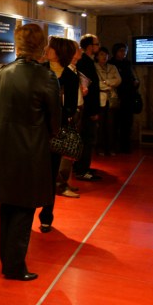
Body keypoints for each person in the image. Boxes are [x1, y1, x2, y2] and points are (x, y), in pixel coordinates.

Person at [0, 23, 61, 281]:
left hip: (3, 149)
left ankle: (8, 260)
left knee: (7, 206)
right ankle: (15, 266)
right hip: (31, 151)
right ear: (41, 47)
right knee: (24, 208)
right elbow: (55, 123)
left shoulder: (1, 72)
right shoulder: (46, 77)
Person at [38, 36, 78, 233]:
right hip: (35, 130)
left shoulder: (70, 77)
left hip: (55, 132)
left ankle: (46, 216)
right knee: (33, 173)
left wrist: (55, 111)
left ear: (59, 52)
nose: (46, 49)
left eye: (51, 47)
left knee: (51, 173)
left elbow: (71, 108)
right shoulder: (39, 70)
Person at [56, 41, 83, 199]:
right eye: (77, 49)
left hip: (75, 111)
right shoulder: (63, 72)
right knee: (65, 151)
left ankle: (64, 181)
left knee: (70, 151)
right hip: (68, 115)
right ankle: (60, 184)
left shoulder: (73, 69)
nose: (80, 51)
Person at [74, 34, 102, 181]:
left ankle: (82, 167)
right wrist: (93, 111)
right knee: (87, 139)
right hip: (87, 109)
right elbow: (89, 89)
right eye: (96, 44)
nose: (98, 47)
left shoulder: (87, 61)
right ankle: (82, 169)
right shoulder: (85, 62)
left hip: (87, 107)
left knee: (86, 139)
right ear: (90, 46)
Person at [108, 43, 139, 153]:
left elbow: (132, 76)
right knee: (115, 122)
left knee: (127, 123)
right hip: (116, 96)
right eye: (121, 50)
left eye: (125, 51)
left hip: (128, 96)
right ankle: (114, 145)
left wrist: (135, 81)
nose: (123, 53)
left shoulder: (127, 63)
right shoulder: (111, 64)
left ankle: (125, 146)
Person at [95, 47, 121, 156]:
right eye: (101, 54)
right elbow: (96, 83)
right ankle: (100, 147)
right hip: (100, 98)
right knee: (100, 124)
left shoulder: (112, 67)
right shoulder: (94, 67)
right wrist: (109, 84)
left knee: (111, 124)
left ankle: (110, 147)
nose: (104, 57)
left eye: (106, 54)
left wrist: (107, 82)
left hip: (111, 98)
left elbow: (118, 80)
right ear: (97, 56)